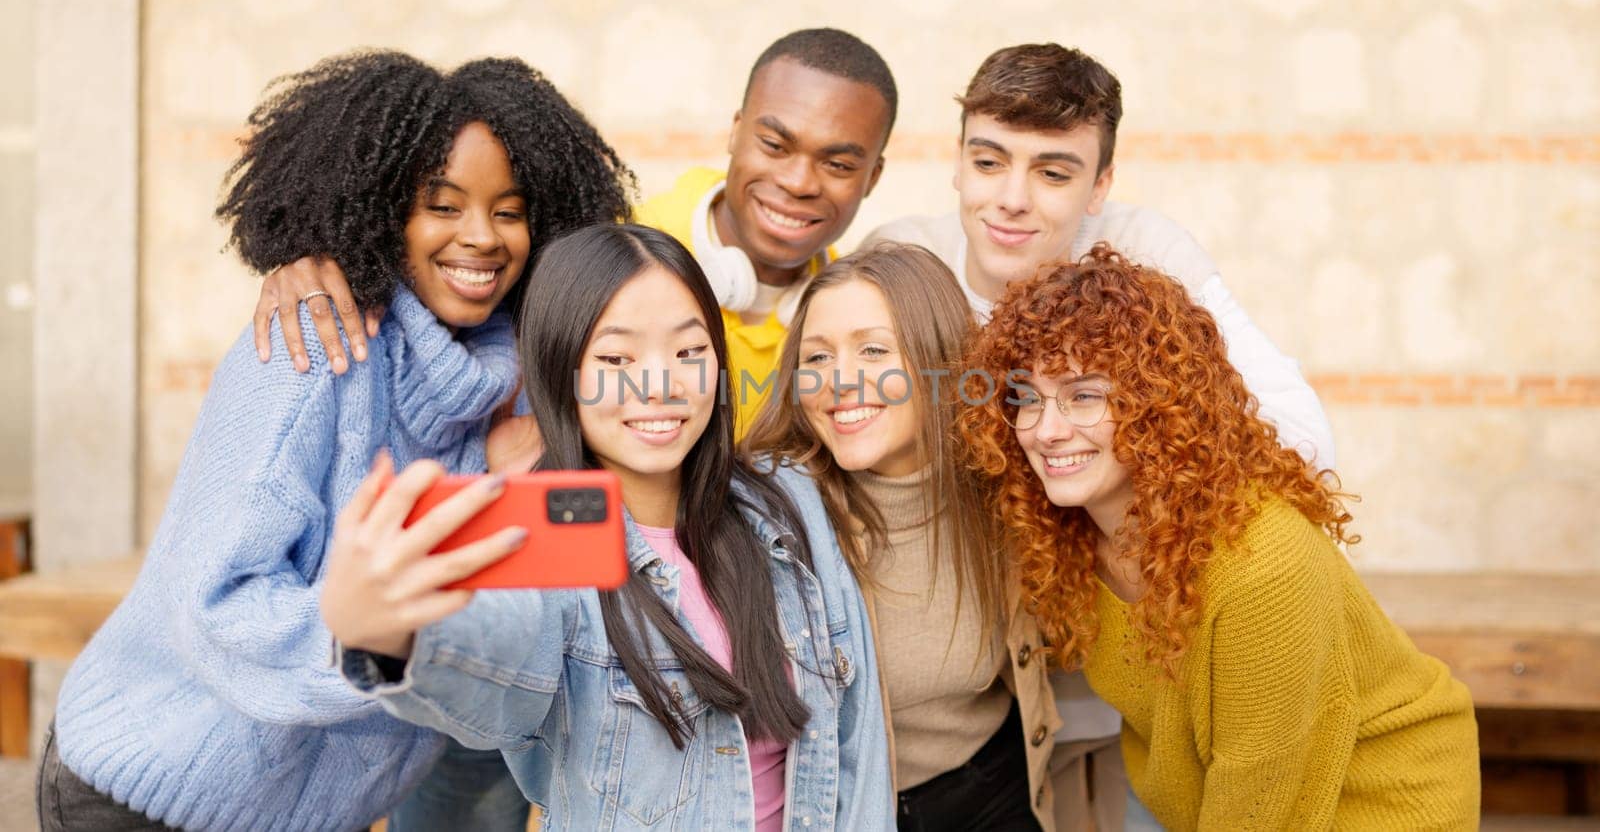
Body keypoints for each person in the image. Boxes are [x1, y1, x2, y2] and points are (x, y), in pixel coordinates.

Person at [37, 50, 632, 830]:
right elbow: (218, 605)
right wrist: (384, 634)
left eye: (510, 210)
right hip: (155, 792)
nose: (481, 237)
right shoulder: (312, 350)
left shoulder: (518, 383)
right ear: (381, 209)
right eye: (442, 205)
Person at [865, 42, 1337, 830]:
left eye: (1053, 172)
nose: (1012, 199)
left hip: (1124, 695)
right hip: (958, 707)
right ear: (956, 164)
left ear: (1099, 186)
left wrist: (1106, 498)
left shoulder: (1144, 257)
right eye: (989, 162)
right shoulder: (902, 264)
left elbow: (1302, 438)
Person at [321, 224, 892, 831]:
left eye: (689, 352)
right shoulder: (549, 549)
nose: (659, 386)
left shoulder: (787, 501)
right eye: (617, 358)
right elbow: (499, 662)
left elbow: (858, 752)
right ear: (560, 368)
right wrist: (391, 634)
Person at [959, 245, 1480, 830]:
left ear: (1159, 401)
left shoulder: (1262, 564)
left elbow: (1261, 800)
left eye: (1084, 395)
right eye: (1026, 399)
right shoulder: (1073, 533)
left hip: (1378, 801)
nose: (1046, 431)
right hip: (1200, 799)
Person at [251, 28, 897, 435]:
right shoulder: (602, 244)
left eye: (839, 164)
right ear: (735, 131)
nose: (800, 181)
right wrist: (311, 257)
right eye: (775, 144)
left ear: (873, 177)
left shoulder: (850, 323)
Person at [745, 242, 1051, 831]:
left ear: (940, 361)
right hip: (846, 810)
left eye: (873, 351)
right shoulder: (766, 516)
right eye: (817, 358)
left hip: (993, 789)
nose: (840, 381)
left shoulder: (1010, 487)